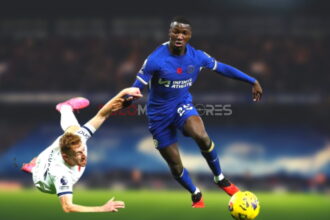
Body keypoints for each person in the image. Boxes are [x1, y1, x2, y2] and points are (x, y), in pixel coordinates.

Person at [131, 17, 263, 208]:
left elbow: (223, 68)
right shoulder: (155, 60)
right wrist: (127, 98)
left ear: (190, 35)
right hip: (158, 116)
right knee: (175, 165)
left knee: (201, 135)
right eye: (176, 31)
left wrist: (252, 80)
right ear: (169, 33)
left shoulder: (197, 57)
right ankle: (195, 193)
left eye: (184, 33)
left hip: (181, 105)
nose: (179, 36)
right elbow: (137, 87)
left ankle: (219, 178)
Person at [21, 87, 142, 212]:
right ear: (66, 157)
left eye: (83, 149)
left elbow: (102, 115)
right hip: (43, 182)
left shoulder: (79, 140)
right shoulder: (62, 175)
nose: (84, 155)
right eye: (79, 153)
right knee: (43, 164)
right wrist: (102, 208)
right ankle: (34, 168)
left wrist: (123, 92)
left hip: (46, 158)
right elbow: (67, 207)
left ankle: (65, 108)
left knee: (74, 131)